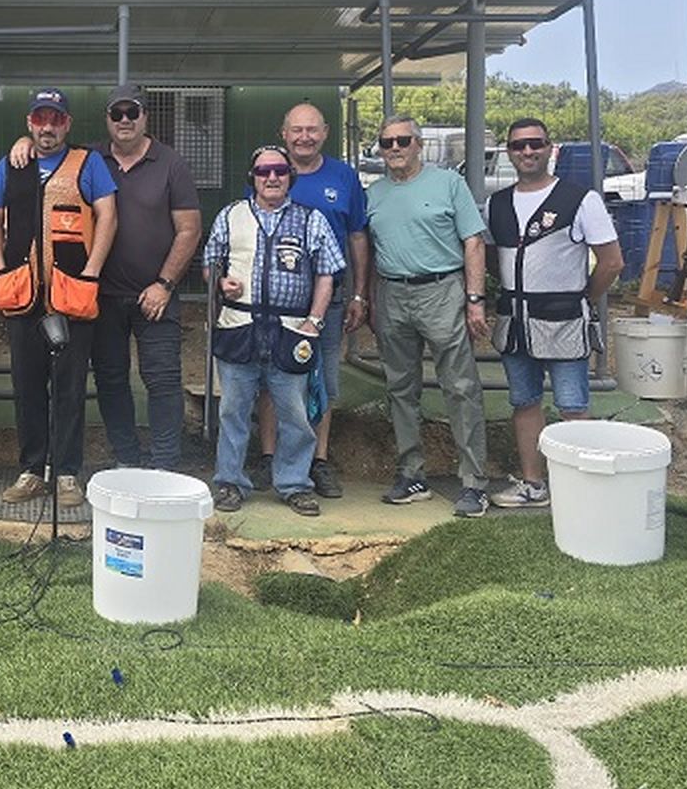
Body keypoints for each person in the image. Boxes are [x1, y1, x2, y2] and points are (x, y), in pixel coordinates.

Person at [14, 84, 199, 468]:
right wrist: (23, 142)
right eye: (117, 114)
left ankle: (165, 464)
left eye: (133, 112)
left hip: (156, 294)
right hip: (102, 296)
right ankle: (127, 459)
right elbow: (51, 144)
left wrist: (164, 284)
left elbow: (189, 230)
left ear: (146, 117)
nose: (125, 120)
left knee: (162, 380)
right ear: (108, 120)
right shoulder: (90, 158)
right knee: (111, 380)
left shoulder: (170, 163)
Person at [0, 88, 117, 509]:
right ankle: (31, 470)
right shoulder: (11, 163)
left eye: (56, 119)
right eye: (40, 119)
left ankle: (67, 473)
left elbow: (108, 216)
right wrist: (0, 268)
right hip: (23, 295)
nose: (47, 127)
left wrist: (92, 269)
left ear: (67, 124)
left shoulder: (88, 162)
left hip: (72, 295)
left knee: (70, 386)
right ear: (29, 123)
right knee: (26, 385)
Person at [484, 118, 624, 507]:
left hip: (564, 319)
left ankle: (583, 490)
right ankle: (534, 484)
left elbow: (611, 262)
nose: (527, 152)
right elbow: (496, 258)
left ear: (551, 148)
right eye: (518, 146)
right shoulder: (496, 204)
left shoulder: (581, 199)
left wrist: (584, 297)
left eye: (535, 144)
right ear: (508, 152)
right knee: (524, 401)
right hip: (515, 322)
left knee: (572, 406)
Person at [205, 144, 344, 515]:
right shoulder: (231, 215)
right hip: (239, 325)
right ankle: (230, 482)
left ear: (290, 177)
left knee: (295, 414)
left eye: (280, 171)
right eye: (264, 171)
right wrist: (220, 283)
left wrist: (313, 322)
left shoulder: (311, 219)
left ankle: (295, 484)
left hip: (289, 329)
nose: (272, 177)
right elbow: (209, 265)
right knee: (233, 410)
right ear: (252, 177)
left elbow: (327, 273)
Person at [364, 115, 491, 517]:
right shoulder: (375, 192)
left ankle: (473, 482)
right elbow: (369, 248)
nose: (395, 148)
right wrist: (367, 298)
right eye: (387, 143)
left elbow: (473, 241)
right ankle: (411, 473)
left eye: (403, 140)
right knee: (401, 388)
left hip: (442, 291)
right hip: (392, 293)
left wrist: (475, 299)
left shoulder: (448, 184)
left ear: (419, 144)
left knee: (460, 387)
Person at [254, 102, 370, 497]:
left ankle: (318, 462)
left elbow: (357, 236)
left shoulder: (344, 176)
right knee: (272, 379)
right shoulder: (270, 172)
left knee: (324, 382)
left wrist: (359, 292)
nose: (304, 137)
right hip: (275, 303)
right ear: (283, 133)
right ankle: (270, 458)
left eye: (312, 130)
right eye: (296, 130)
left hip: (330, 300)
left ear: (324, 133)